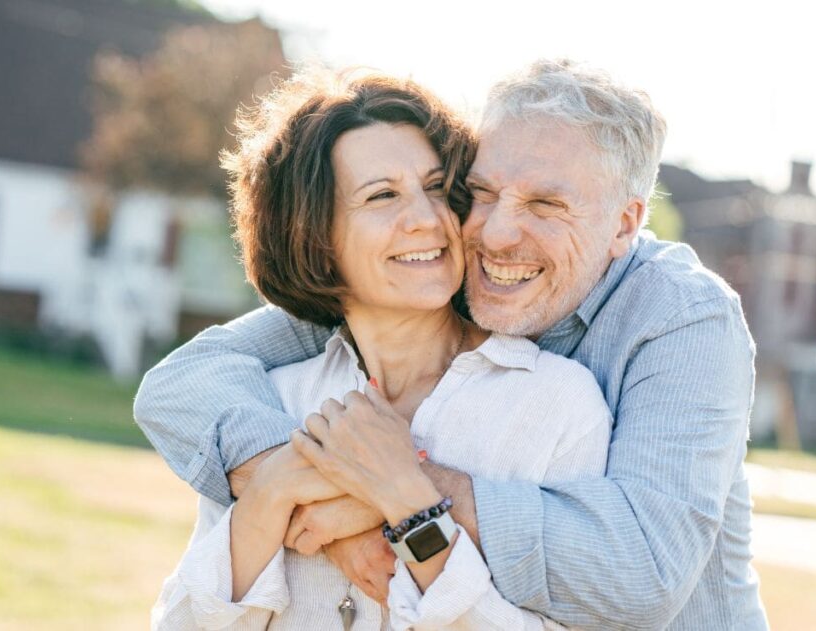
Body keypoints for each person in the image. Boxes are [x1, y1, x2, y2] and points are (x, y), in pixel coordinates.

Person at [136, 59, 768, 630]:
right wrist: (298, 483)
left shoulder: (681, 321)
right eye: (480, 192)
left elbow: (640, 576)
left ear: (624, 223)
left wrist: (400, 488)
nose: (495, 232)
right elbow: (189, 377)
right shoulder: (433, 279)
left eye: (546, 204)